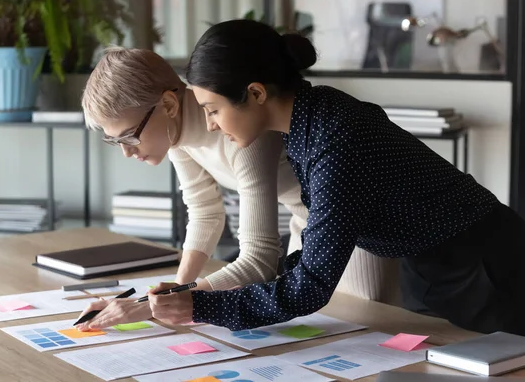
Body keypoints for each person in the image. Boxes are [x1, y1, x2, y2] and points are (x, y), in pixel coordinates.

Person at [146, 19, 525, 336]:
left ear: (256, 93)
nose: (211, 125)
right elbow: (313, 254)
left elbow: (311, 286)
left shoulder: (336, 135)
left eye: (212, 110)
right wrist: (194, 292)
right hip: (428, 266)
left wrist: (202, 306)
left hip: (485, 268)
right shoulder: (308, 123)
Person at [74, 46, 309, 331]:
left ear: (169, 105)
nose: (126, 152)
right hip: (306, 224)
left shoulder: (240, 129)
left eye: (129, 136)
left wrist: (154, 306)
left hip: (346, 227)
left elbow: (259, 260)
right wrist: (169, 296)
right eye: (115, 141)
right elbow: (205, 213)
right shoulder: (177, 134)